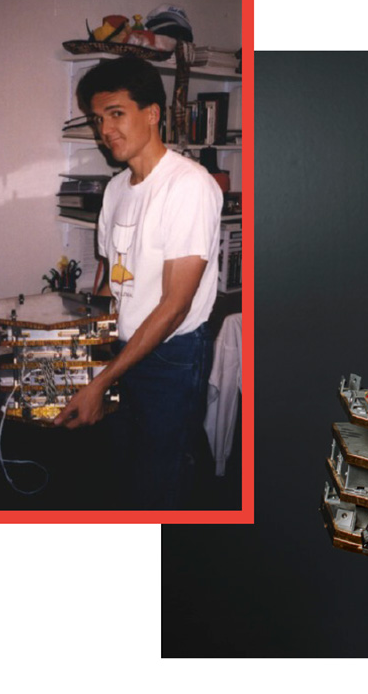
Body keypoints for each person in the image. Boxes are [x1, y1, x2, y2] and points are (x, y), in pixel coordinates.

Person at [54, 57, 223, 509]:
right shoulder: (115, 190)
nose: (104, 129)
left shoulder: (188, 186)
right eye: (97, 118)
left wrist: (100, 381)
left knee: (160, 477)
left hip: (171, 356)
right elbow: (112, 278)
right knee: (125, 465)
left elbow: (175, 306)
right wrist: (86, 350)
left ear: (152, 113)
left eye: (115, 113)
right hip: (124, 349)